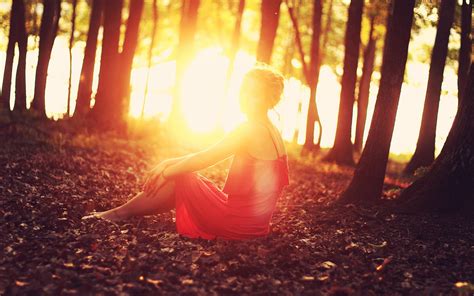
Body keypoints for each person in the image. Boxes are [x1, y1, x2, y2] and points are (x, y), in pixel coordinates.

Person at [83, 64, 289, 240]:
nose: (243, 97)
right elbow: (208, 152)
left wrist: (167, 172)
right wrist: (170, 162)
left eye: (252, 93)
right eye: (243, 90)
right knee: (183, 174)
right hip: (255, 227)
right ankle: (123, 213)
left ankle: (119, 213)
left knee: (181, 177)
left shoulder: (249, 129)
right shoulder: (271, 130)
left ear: (266, 99)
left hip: (237, 224)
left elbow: (205, 159)